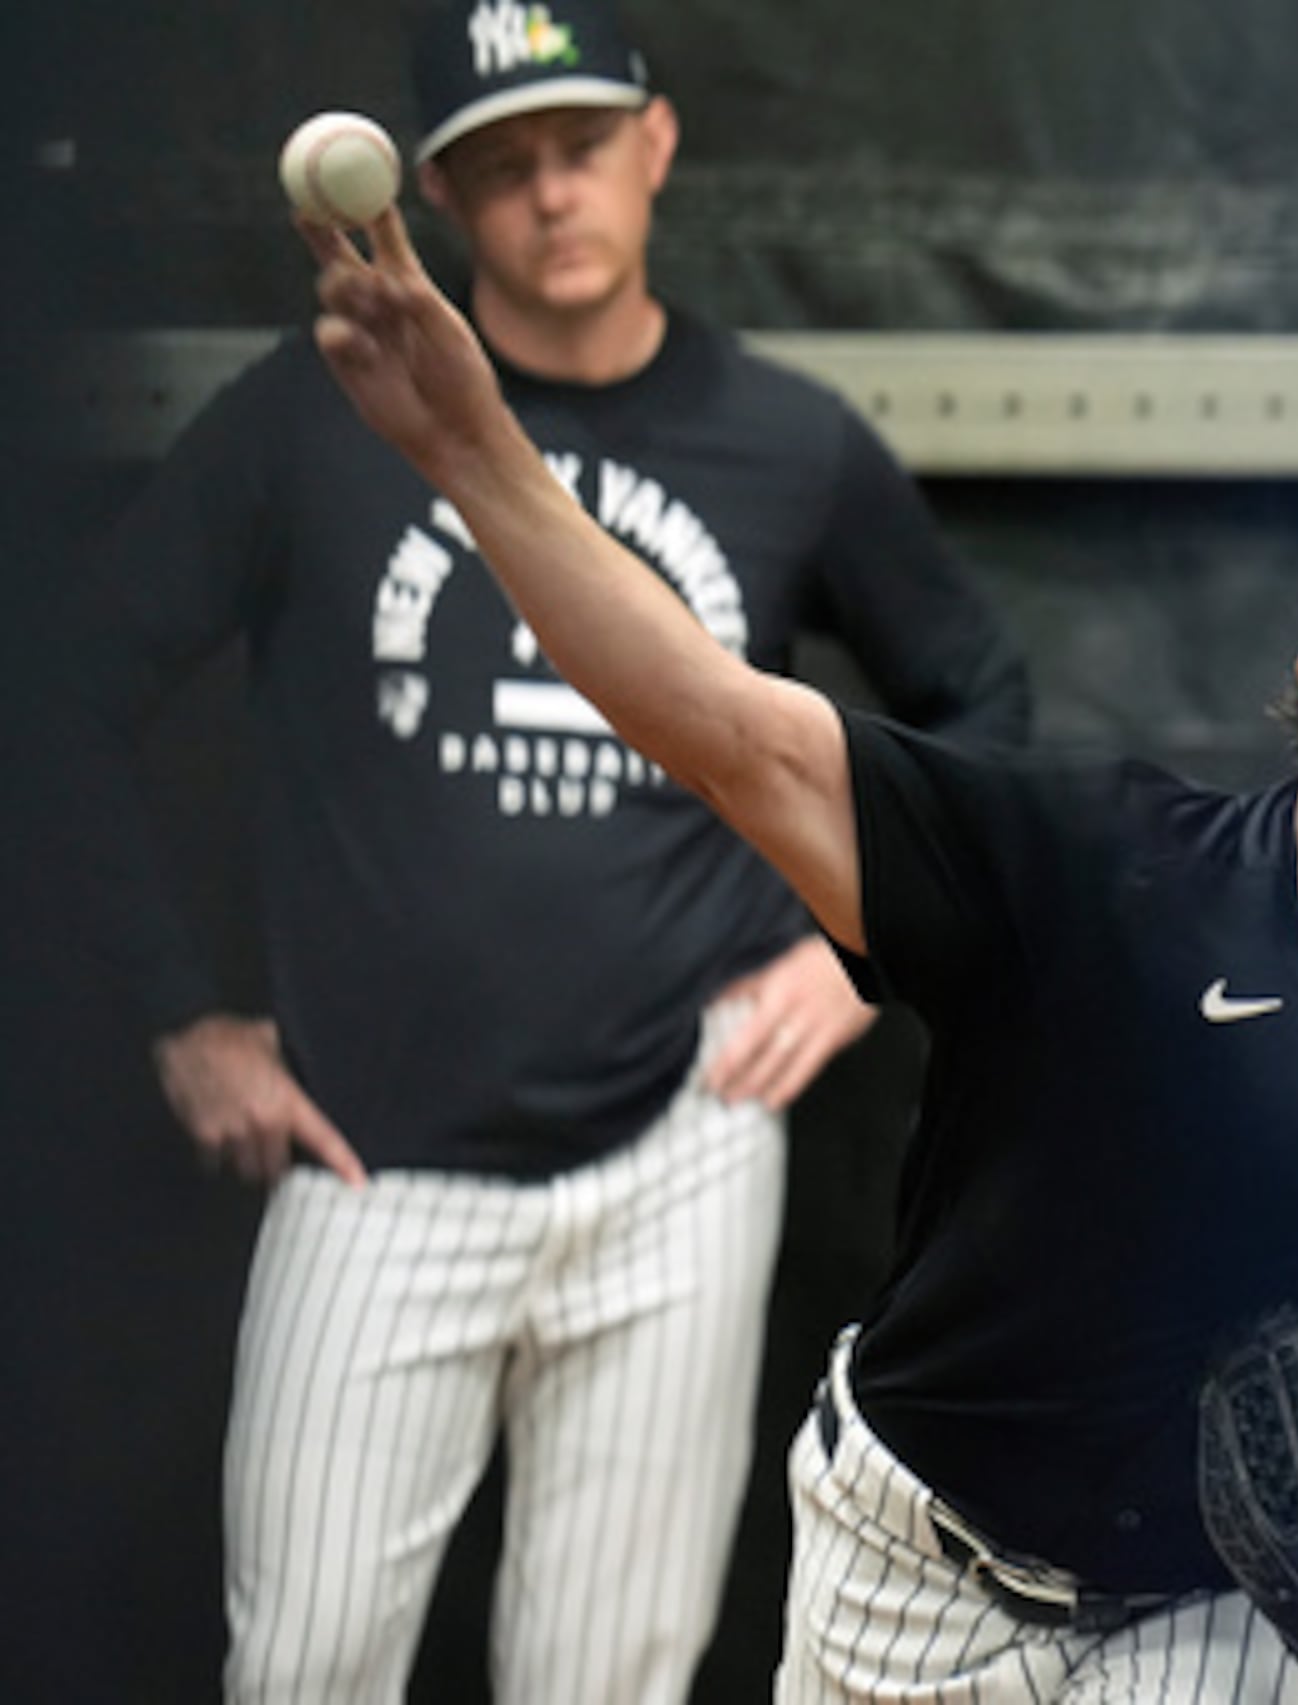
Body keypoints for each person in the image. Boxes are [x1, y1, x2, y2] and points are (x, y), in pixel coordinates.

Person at [296, 189, 1298, 1702]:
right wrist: (474, 454)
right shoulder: (1103, 880)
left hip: (1221, 1621)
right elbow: (726, 731)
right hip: (909, 1557)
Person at [61, 2, 1031, 1699]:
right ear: (436, 199)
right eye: (500, 168)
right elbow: (61, 694)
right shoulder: (317, 417)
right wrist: (179, 1012)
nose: (552, 197)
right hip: (378, 1158)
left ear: (656, 145)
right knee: (302, 1665)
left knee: (612, 1674)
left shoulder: (787, 440)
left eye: (580, 148)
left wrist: (858, 957)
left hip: (683, 1140)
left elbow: (985, 702)